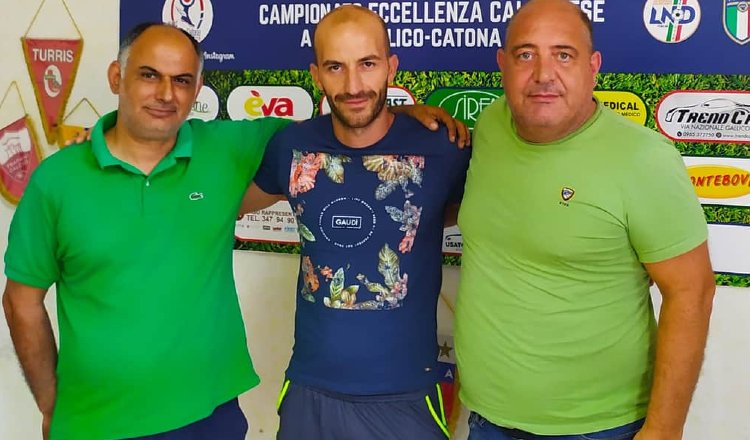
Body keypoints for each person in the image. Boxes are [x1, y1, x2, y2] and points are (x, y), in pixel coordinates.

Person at [1, 22, 465, 440]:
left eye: (181, 80)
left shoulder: (228, 149)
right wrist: (51, 404)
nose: (165, 93)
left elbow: (357, 124)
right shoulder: (59, 180)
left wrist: (405, 116)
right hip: (105, 420)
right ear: (116, 77)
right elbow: (20, 299)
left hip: (219, 416)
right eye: (148, 75)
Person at [454, 1, 715, 439]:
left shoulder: (643, 159)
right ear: (502, 64)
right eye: (525, 54)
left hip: (600, 428)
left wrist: (663, 431)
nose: (543, 74)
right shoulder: (491, 125)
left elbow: (693, 293)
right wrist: (404, 114)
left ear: (592, 67)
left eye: (563, 54)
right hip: (488, 419)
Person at [239, 5, 471, 440]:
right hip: (310, 391)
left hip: (406, 398)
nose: (353, 85)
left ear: (390, 67)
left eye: (367, 64)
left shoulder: (443, 148)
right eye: (335, 67)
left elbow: (485, 208)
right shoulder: (291, 146)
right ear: (316, 75)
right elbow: (219, 208)